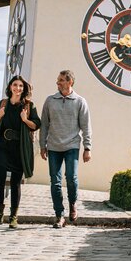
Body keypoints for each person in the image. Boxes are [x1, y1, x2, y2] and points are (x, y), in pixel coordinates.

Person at [0, 75, 41, 229]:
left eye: (21, 86)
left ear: (24, 89)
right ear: (10, 87)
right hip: (2, 146)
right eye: (15, 85)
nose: (18, 88)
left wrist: (25, 119)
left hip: (19, 148)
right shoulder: (3, 103)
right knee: (0, 180)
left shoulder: (29, 106)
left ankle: (13, 217)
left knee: (16, 183)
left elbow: (36, 124)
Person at [40, 70, 92, 228]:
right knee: (55, 182)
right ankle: (59, 215)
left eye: (61, 80)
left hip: (72, 146)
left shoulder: (80, 101)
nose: (58, 83)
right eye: (58, 80)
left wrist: (87, 147)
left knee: (71, 177)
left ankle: (72, 204)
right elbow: (44, 125)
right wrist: (43, 145)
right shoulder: (50, 100)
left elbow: (86, 126)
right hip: (54, 146)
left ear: (70, 82)